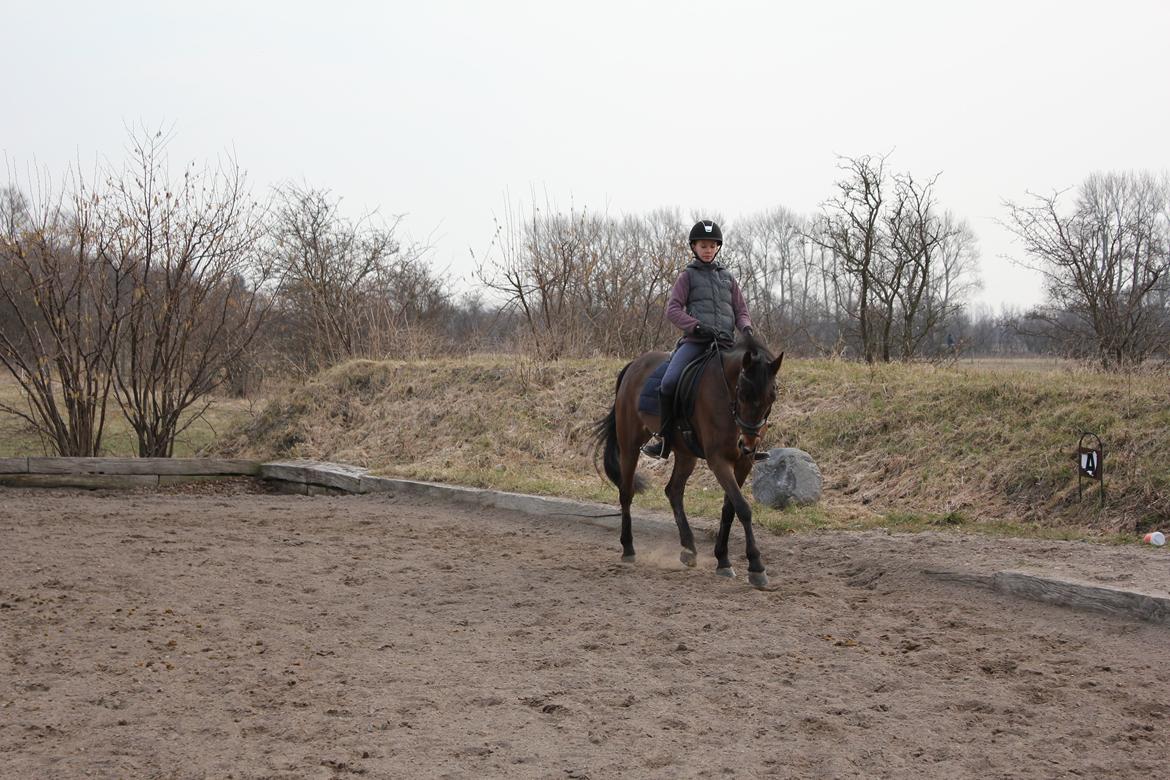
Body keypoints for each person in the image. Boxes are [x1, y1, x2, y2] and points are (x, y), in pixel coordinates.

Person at [642, 219, 753, 459]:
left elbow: (741, 311)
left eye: (712, 246)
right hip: (696, 343)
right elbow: (673, 310)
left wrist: (746, 329)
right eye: (703, 245)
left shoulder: (728, 279)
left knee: (754, 384)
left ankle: (749, 442)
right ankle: (664, 438)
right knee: (669, 382)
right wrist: (697, 326)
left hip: (726, 345)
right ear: (694, 247)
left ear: (718, 248)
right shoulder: (687, 277)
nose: (708, 250)